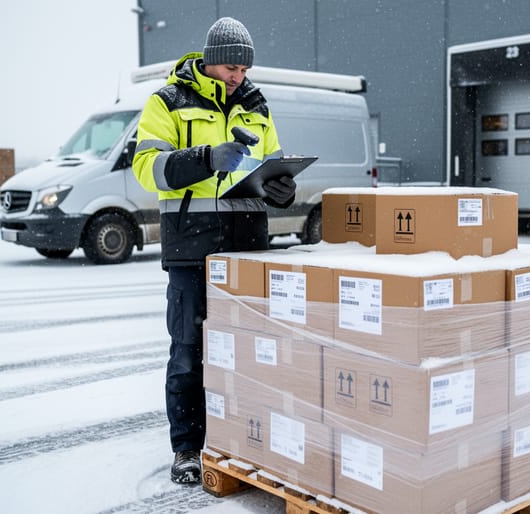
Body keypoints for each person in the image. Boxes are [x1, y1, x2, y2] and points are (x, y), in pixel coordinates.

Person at [132, 16, 296, 485]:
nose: (237, 77)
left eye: (243, 70)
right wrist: (206, 158)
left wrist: (279, 187)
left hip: (248, 244)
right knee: (189, 350)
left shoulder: (256, 104)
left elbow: (271, 161)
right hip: (191, 245)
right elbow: (148, 168)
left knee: (249, 352)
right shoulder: (168, 101)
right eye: (229, 68)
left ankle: (243, 440)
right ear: (208, 60)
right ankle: (187, 447)